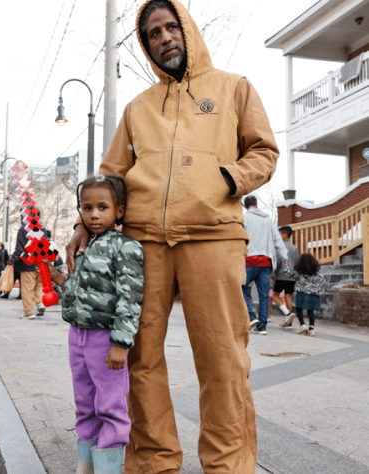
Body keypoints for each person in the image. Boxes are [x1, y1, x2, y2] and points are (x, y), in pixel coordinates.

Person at [66, 1, 280, 471]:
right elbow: (111, 173)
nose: (164, 38)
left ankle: (228, 465)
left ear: (186, 29)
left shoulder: (234, 88)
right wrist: (85, 223)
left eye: (169, 28)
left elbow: (264, 151)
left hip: (214, 236)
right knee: (137, 359)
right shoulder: (137, 107)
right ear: (146, 45)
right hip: (143, 243)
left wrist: (227, 180)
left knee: (222, 358)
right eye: (153, 34)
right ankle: (154, 462)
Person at [47, 174, 144, 474]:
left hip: (106, 340)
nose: (94, 214)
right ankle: (86, 465)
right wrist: (57, 279)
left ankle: (109, 469)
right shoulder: (82, 246)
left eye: (103, 207)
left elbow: (131, 298)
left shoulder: (126, 247)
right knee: (84, 403)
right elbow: (77, 293)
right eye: (87, 208)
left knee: (111, 406)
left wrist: (120, 344)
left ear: (120, 210)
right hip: (77, 337)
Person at [241, 195, 289, 336]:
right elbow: (277, 240)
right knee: (263, 295)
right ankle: (262, 327)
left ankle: (251, 317)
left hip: (249, 260)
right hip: (266, 262)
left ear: (245, 206)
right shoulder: (268, 220)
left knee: (240, 288)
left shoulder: (245, 218)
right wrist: (284, 257)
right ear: (256, 205)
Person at [8, 215, 46, 319]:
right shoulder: (42, 228)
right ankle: (40, 303)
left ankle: (29, 312)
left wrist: (12, 259)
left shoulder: (24, 229)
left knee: (27, 289)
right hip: (41, 264)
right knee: (39, 286)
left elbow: (20, 248)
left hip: (27, 264)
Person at [283, 253, 325, 337]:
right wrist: (315, 289)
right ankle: (311, 329)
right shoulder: (318, 274)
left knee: (299, 310)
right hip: (313, 295)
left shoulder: (299, 273)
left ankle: (302, 325)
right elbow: (322, 282)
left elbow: (289, 274)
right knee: (311, 311)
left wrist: (285, 266)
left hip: (302, 293)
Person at [272, 225, 299, 329]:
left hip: (281, 275)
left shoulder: (280, 246)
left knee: (275, 296)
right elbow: (297, 264)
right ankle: (289, 323)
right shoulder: (295, 248)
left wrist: (273, 276)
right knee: (288, 297)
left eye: (279, 234)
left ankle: (287, 313)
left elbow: (278, 262)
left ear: (284, 235)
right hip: (291, 277)